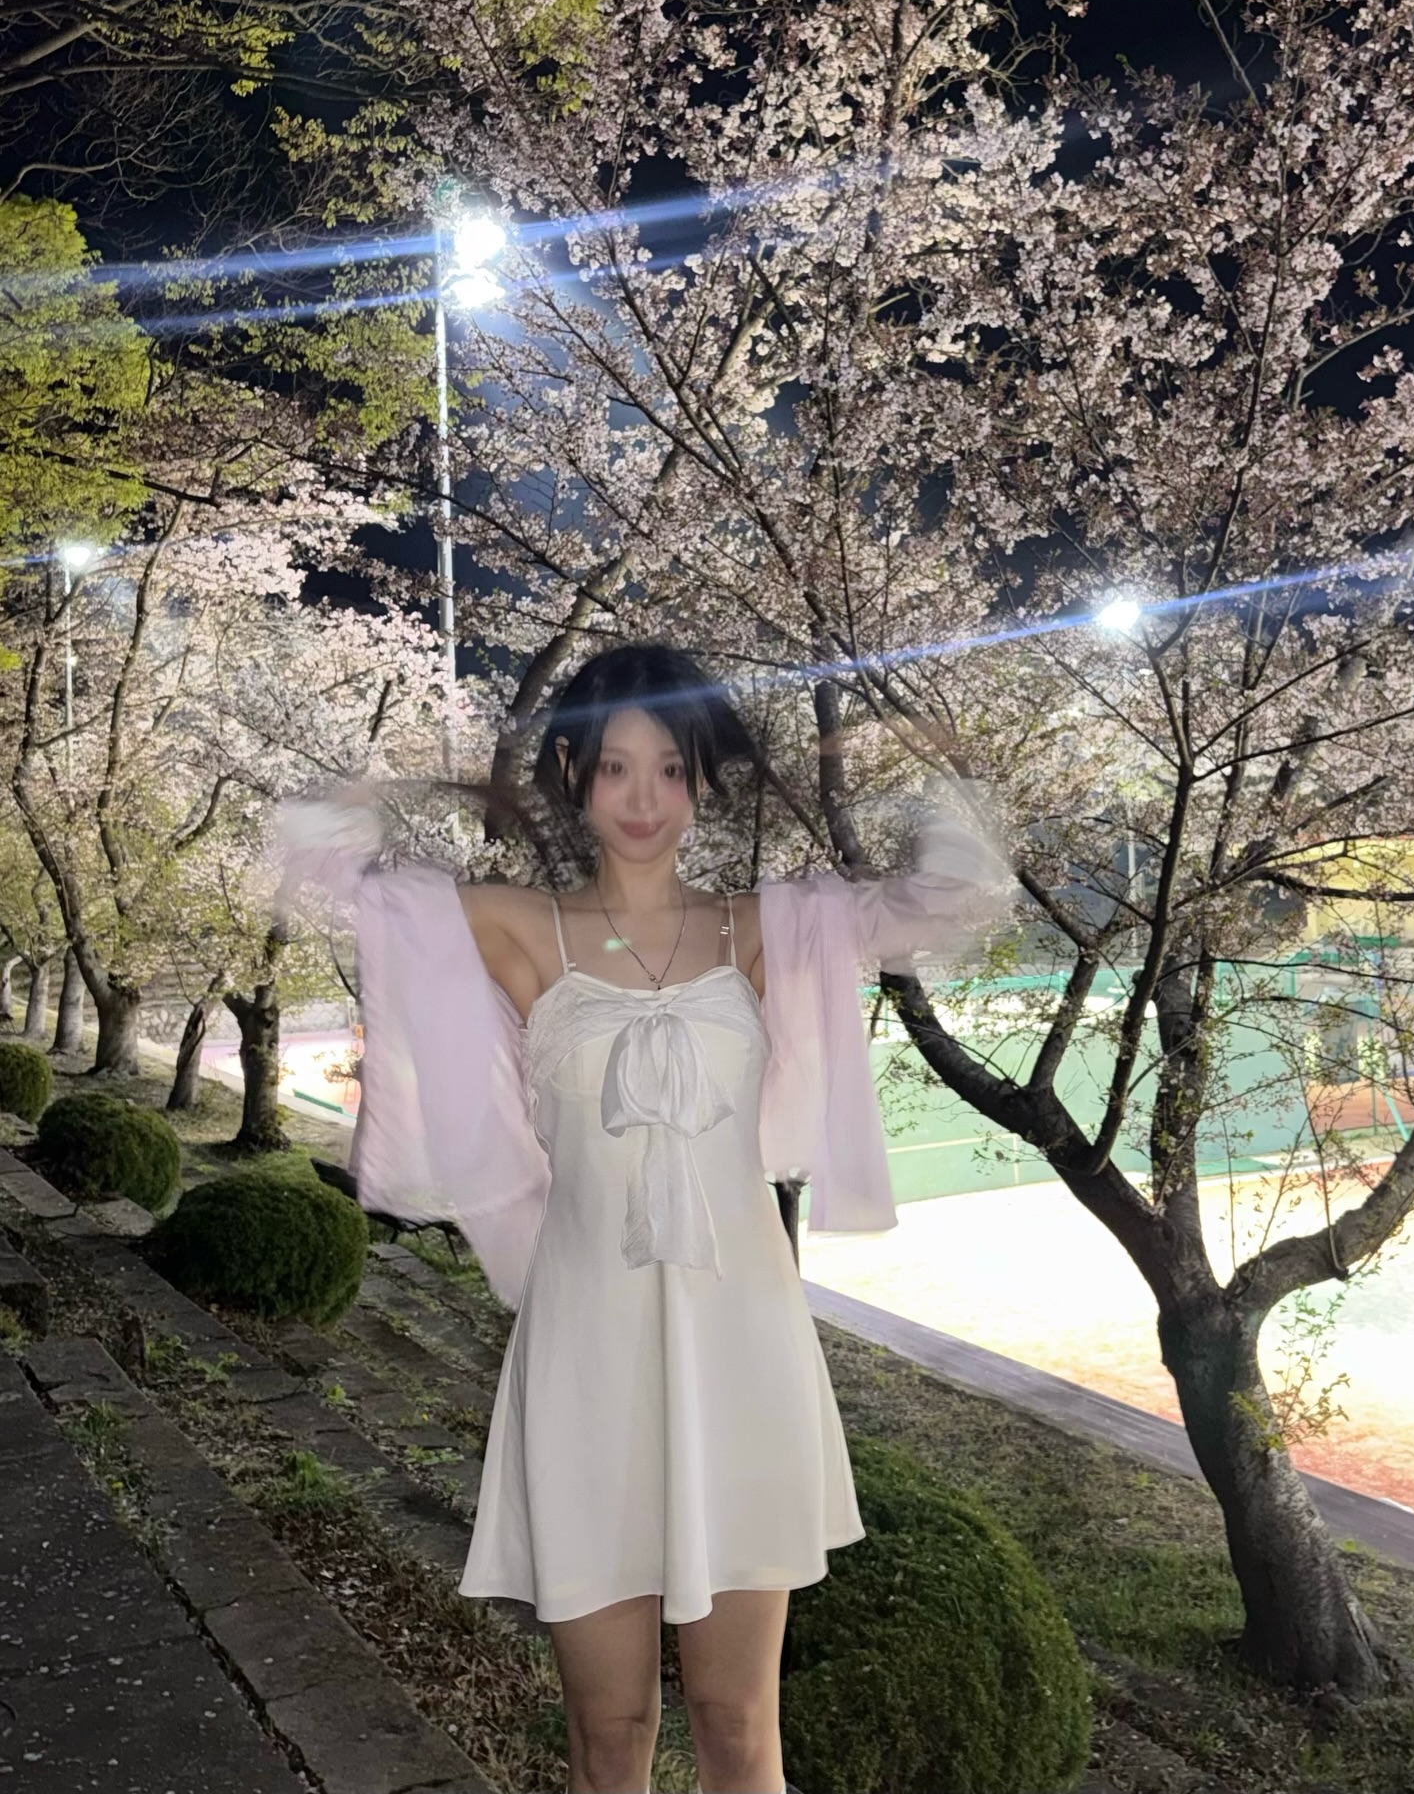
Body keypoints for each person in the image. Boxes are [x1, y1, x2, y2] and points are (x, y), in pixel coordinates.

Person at [273, 642, 1015, 1794]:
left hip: (743, 1352)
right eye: (615, 767)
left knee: (737, 1723)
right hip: (589, 1353)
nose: (643, 798)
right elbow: (324, 870)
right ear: (574, 773)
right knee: (610, 1730)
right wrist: (410, 777)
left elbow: (952, 899)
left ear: (702, 780)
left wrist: (927, 765)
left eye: (670, 768)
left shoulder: (763, 927)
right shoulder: (516, 926)